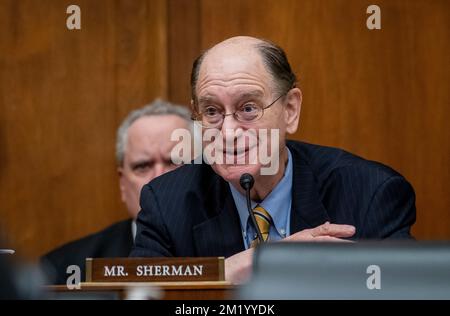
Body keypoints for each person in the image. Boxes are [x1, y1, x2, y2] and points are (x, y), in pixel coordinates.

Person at [130, 36, 416, 284]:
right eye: (212, 112)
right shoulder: (167, 203)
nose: (228, 133)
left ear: (290, 110)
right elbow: (140, 290)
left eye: (249, 108)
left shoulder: (369, 192)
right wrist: (237, 268)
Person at [41, 99, 192, 284]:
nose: (158, 179)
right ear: (122, 183)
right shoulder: (63, 270)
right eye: (143, 166)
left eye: (174, 162)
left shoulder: (234, 258)